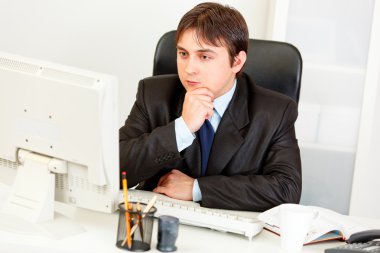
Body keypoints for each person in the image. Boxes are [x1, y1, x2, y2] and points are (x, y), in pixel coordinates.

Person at [119, 2, 301, 212]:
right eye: (183, 54)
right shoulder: (152, 94)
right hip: (160, 224)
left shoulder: (277, 112)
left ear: (237, 62)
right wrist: (182, 129)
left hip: (235, 236)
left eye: (204, 56)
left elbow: (287, 189)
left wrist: (197, 189)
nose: (189, 69)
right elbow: (113, 167)